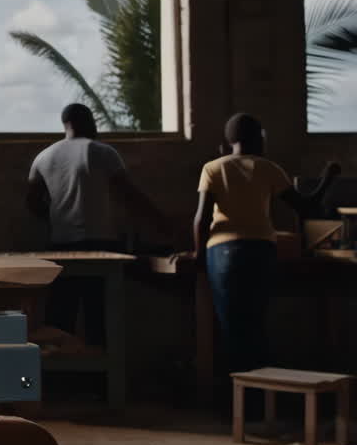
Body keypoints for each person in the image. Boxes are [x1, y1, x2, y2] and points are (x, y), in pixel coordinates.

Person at [188, 113, 339, 373]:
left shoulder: (213, 167)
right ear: (259, 138)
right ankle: (261, 398)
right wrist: (327, 179)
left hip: (222, 253)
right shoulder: (269, 167)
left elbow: (201, 219)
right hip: (261, 250)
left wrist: (198, 254)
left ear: (229, 140)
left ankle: (234, 400)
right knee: (255, 323)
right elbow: (305, 207)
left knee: (231, 327)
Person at [27, 103, 169, 351]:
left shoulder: (44, 157)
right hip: (101, 247)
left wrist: (58, 218)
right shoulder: (102, 152)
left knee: (60, 320)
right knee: (101, 319)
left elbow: (31, 202)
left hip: (59, 248)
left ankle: (62, 383)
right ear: (89, 122)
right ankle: (104, 384)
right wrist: (164, 223)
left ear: (65, 124)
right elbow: (130, 196)